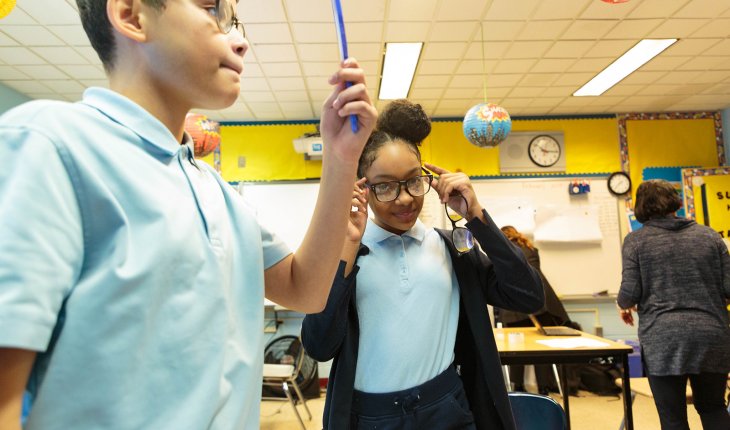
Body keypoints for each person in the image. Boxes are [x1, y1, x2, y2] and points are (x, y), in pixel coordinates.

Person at [0, 1, 377, 429]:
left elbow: (305, 290)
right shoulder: (49, 145)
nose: (241, 40)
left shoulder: (216, 191)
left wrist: (341, 159)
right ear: (131, 15)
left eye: (235, 22)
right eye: (213, 10)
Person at [301, 99, 545, 429]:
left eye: (414, 181)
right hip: (372, 417)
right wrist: (345, 250)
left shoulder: (451, 249)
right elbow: (319, 345)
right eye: (385, 186)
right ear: (363, 189)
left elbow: (528, 296)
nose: (404, 198)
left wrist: (475, 217)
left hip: (446, 408)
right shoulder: (344, 255)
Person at [617, 179, 730, 430]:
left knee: (673, 418)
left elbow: (629, 293)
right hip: (712, 335)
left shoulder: (636, 241)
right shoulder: (710, 236)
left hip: (663, 338)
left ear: (641, 206)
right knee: (713, 407)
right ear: (675, 202)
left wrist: (623, 304)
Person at [497, 225, 571, 394]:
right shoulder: (531, 249)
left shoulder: (504, 249)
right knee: (540, 349)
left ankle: (518, 386)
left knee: (515, 349)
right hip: (539, 304)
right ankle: (543, 387)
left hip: (513, 306)